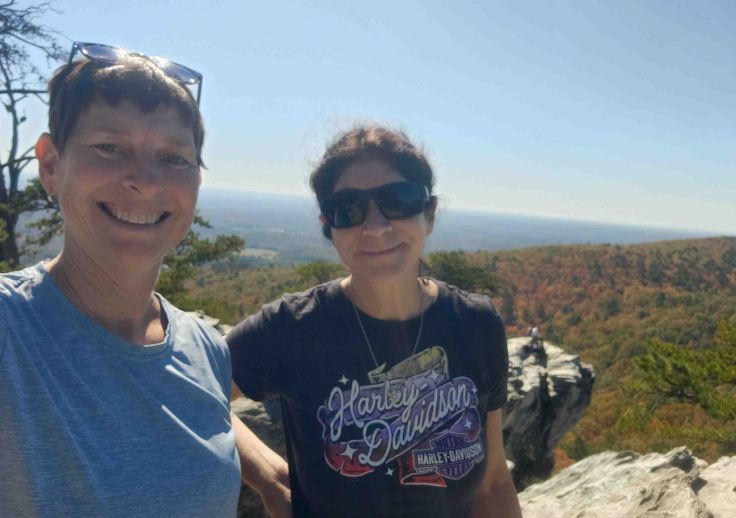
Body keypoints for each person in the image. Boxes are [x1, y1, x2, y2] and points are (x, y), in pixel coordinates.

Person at [0, 42, 244, 517]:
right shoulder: (10, 330)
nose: (146, 181)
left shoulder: (206, 349)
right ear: (51, 165)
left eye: (174, 158)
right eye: (110, 148)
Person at [227, 125, 522, 517]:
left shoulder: (475, 324)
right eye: (348, 209)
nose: (376, 226)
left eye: (397, 201)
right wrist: (271, 479)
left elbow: (493, 482)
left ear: (429, 214)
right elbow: (191, 391)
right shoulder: (293, 328)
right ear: (328, 227)